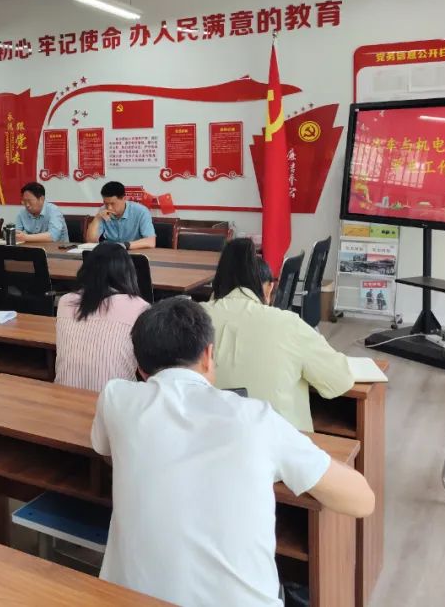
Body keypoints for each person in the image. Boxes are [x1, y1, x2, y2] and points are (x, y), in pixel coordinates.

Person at [92, 297, 374, 607]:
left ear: (141, 370)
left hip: (126, 598)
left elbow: (105, 449)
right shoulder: (256, 419)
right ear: (208, 355)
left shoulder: (115, 398)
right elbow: (362, 500)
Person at [202, 238, 354, 432]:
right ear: (269, 289)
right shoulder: (288, 324)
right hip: (277, 443)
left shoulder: (189, 318)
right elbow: (340, 380)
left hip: (206, 439)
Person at [55, 242, 148, 391]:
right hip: (112, 401)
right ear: (127, 273)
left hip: (63, 396)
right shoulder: (140, 307)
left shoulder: (65, 301)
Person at [86, 181, 156, 249]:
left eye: (113, 203)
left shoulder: (141, 211)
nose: (109, 208)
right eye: (106, 203)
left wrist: (124, 245)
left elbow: (150, 242)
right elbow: (91, 241)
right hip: (110, 253)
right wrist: (97, 218)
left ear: (124, 198)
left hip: (133, 251)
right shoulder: (103, 211)